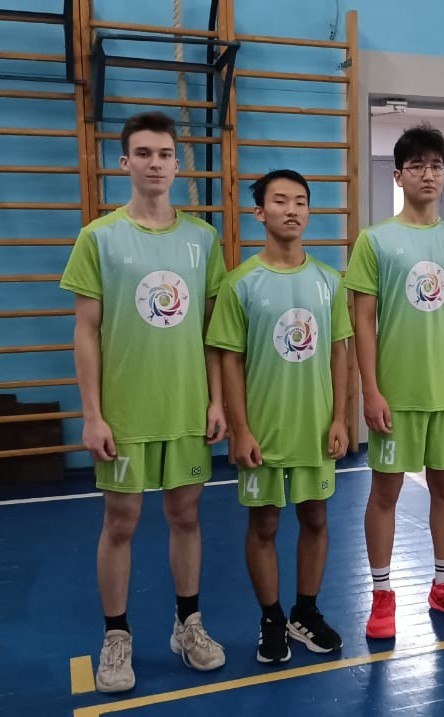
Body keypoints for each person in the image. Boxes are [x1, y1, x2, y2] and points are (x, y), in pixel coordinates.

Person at [60, 111, 226, 693]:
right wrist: (92, 414)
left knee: (186, 516)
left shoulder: (203, 239)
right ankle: (116, 636)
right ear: (124, 162)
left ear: (177, 165)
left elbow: (213, 331)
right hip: (125, 412)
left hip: (186, 407)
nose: (155, 163)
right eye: (144, 153)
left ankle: (188, 624)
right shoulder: (99, 237)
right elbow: (86, 331)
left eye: (164, 154)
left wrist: (217, 400)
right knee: (121, 522)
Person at [345, 123, 444, 639]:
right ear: (399, 175)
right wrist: (371, 389)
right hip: (395, 394)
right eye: (417, 166)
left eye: (436, 166)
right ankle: (382, 594)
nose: (428, 174)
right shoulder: (375, 240)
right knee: (384, 492)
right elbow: (362, 320)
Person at [206, 169, 351, 662]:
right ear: (259, 212)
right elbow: (230, 359)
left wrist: (339, 418)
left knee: (316, 517)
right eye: (281, 201)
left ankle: (305, 612)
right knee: (264, 524)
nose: (292, 210)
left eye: (301, 202)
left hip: (315, 426)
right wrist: (240, 428)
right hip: (263, 432)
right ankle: (270, 619)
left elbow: (339, 354)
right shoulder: (240, 283)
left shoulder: (330, 281)